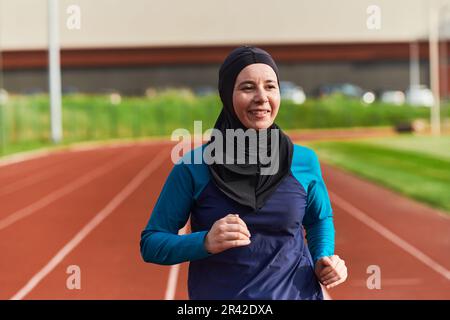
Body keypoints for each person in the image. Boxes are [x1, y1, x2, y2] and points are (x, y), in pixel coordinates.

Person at [140, 46, 347, 300]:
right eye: (248, 87)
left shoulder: (303, 161)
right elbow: (151, 243)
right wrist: (204, 242)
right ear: (227, 95)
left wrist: (323, 258)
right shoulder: (193, 166)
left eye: (270, 86)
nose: (261, 97)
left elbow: (319, 219)